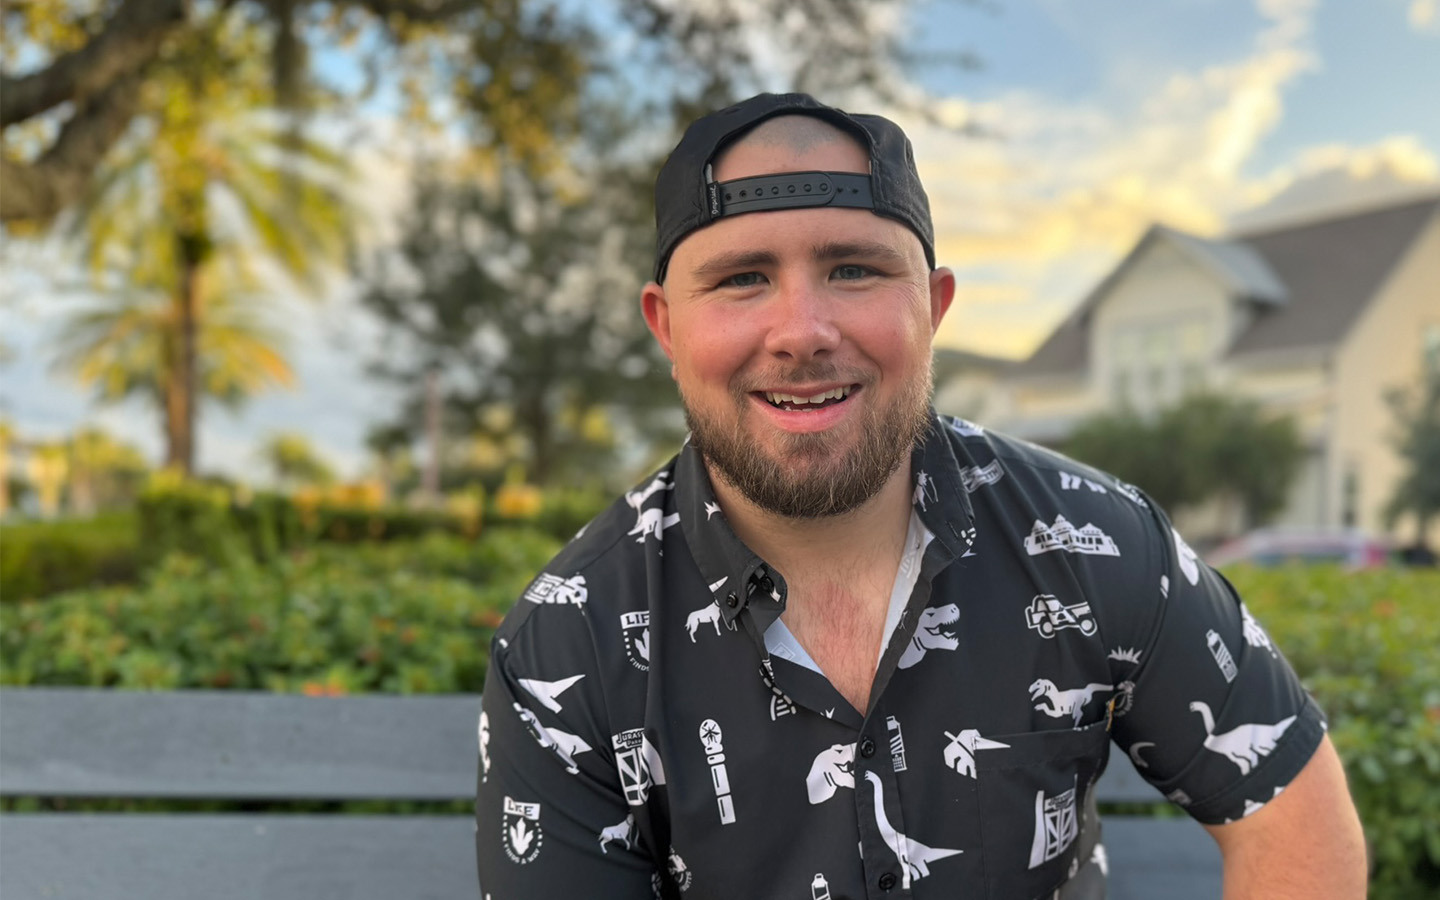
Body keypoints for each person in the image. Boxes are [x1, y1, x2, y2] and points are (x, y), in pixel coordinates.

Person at [476, 92, 1367, 899]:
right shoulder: (570, 638)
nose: (803, 333)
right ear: (667, 326)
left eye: (855, 269)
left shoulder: (1093, 541)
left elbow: (1296, 816)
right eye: (742, 278)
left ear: (933, 307)